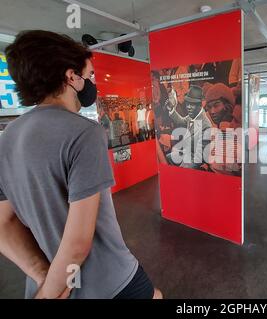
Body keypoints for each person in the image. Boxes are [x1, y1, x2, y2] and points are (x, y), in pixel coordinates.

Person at [0, 30, 162, 299]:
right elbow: (77, 244)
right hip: (107, 278)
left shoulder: (7, 139)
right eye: (89, 75)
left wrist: (44, 278)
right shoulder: (83, 132)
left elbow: (3, 223)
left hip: (49, 281)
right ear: (71, 77)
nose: (91, 83)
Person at [166, 85, 213, 169]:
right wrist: (171, 109)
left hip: (196, 158)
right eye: (187, 103)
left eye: (192, 104)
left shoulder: (206, 125)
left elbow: (200, 156)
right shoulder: (192, 116)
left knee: (182, 168)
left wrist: (185, 163)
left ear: (200, 105)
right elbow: (181, 121)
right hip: (187, 153)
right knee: (169, 157)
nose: (188, 107)